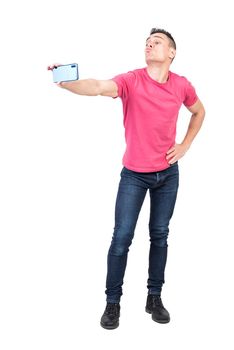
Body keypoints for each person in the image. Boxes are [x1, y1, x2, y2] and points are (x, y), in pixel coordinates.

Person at [48, 28, 205, 330]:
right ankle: (112, 303)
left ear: (171, 52)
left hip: (168, 175)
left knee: (160, 235)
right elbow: (96, 86)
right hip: (134, 175)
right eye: (148, 41)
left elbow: (199, 112)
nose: (150, 44)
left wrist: (185, 145)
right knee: (121, 238)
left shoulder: (182, 85)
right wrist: (68, 84)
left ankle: (154, 297)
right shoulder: (131, 81)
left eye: (157, 42)